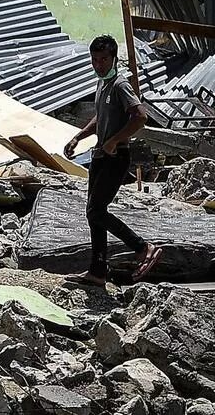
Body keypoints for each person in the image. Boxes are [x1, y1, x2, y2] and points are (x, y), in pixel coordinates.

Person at [62, 35, 163, 282]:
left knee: (96, 211)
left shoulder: (120, 85)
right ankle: (97, 271)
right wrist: (79, 137)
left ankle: (142, 248)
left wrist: (115, 140)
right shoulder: (102, 84)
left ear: (114, 59)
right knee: (93, 212)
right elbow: (100, 117)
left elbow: (140, 117)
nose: (98, 65)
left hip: (116, 157)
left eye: (103, 60)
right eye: (94, 60)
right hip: (100, 155)